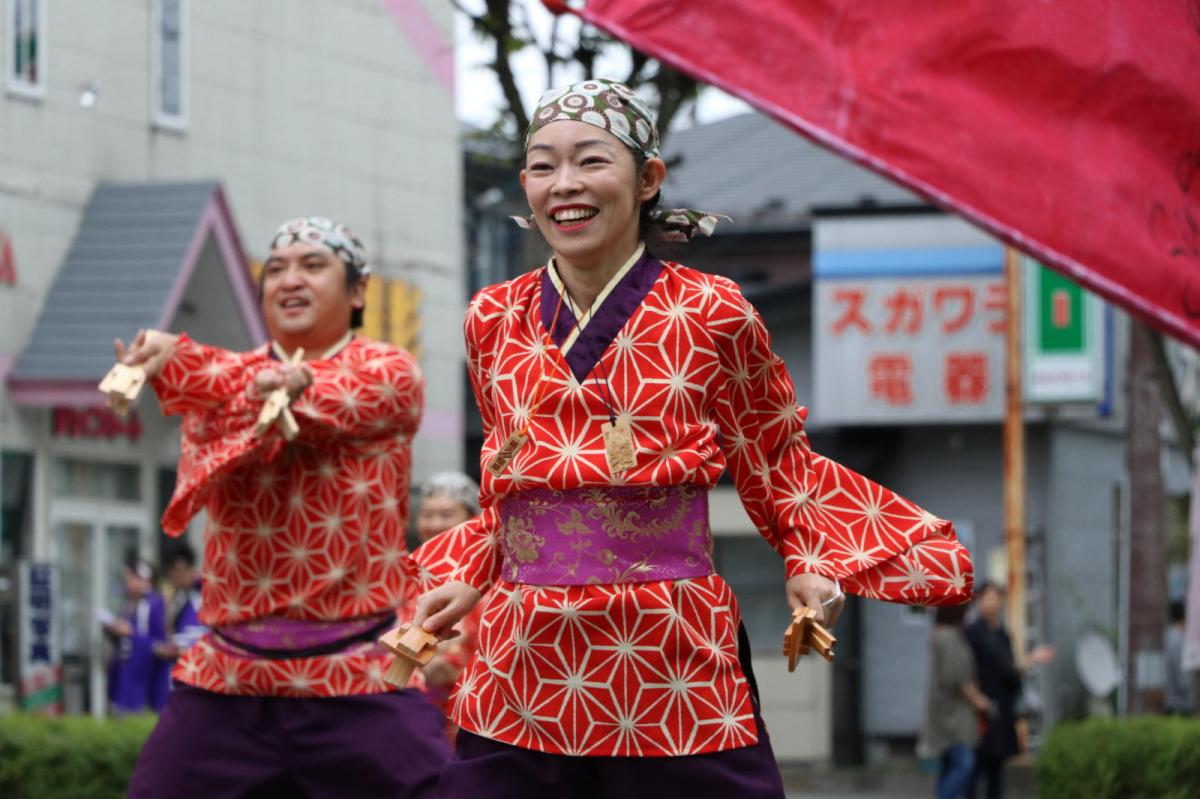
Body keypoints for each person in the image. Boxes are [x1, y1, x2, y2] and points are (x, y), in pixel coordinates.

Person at [403, 78, 975, 798]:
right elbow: (510, 482)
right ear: (525, 184)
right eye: (543, 166)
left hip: (668, 649)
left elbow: (776, 459)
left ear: (647, 179)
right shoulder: (491, 318)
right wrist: (473, 567)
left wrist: (808, 554)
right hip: (525, 655)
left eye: (590, 161)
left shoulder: (712, 311)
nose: (564, 185)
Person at [122, 217, 448, 798]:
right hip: (228, 678)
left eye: (312, 265)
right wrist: (207, 369)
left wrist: (183, 358)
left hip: (358, 675)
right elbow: (239, 387)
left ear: (357, 292)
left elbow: (322, 396)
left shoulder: (391, 374)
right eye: (277, 269)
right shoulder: (225, 382)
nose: (290, 279)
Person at [963, 581, 1054, 799]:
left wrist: (1027, 663)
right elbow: (967, 670)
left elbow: (1010, 669)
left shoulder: (1003, 634)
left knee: (996, 765)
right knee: (975, 765)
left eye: (995, 597)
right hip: (979, 707)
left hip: (1001, 707)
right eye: (987, 597)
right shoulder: (973, 633)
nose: (991, 602)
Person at [413, 472, 484, 737]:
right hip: (414, 705)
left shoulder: (489, 578)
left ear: (472, 519)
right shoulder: (405, 571)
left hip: (469, 709)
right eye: (427, 514)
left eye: (445, 514)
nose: (433, 524)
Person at [924, 602, 991, 799]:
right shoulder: (948, 637)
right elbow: (956, 678)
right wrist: (980, 701)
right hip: (954, 716)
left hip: (945, 713)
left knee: (948, 766)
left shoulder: (943, 635)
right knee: (964, 765)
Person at [103, 555, 170, 713]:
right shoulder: (129, 603)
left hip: (143, 677)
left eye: (133, 578)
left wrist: (130, 632)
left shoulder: (154, 604)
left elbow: (160, 645)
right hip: (125, 673)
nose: (128, 582)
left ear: (146, 581)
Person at [153, 543, 206, 663]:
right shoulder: (169, 599)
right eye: (175, 570)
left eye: (184, 570)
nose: (179, 575)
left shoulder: (202, 596)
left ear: (192, 570)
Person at [1165, 599, 1195, 715]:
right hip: (1180, 703)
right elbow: (1182, 676)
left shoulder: (1170, 636)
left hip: (1173, 700)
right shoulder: (1178, 640)